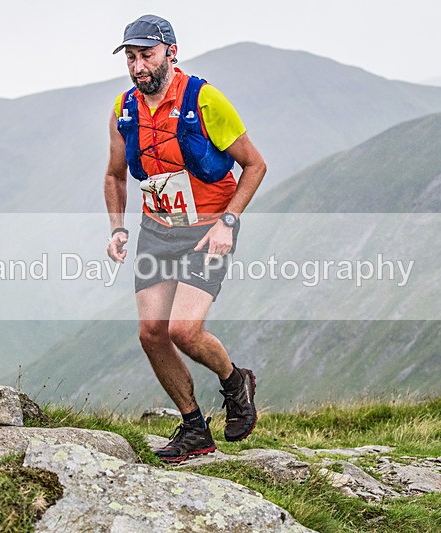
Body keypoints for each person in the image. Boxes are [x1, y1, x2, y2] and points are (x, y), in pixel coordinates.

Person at [104, 14, 267, 463]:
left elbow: (254, 165)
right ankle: (194, 427)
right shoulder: (124, 109)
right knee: (152, 333)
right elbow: (116, 175)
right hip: (157, 230)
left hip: (207, 230)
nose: (138, 66)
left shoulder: (205, 99)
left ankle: (235, 382)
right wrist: (117, 227)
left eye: (147, 55)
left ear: (170, 53)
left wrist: (228, 223)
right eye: (131, 57)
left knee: (184, 330)